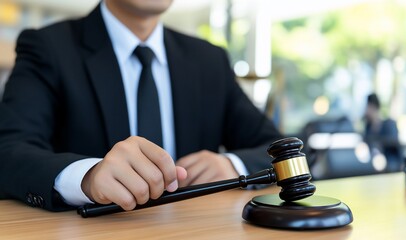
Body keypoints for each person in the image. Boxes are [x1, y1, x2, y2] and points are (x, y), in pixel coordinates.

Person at [0, 0, 282, 212]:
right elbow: (8, 150)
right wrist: (86, 177)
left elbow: (280, 147)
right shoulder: (48, 47)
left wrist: (233, 165)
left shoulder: (208, 59)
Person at [363, 93, 402, 172]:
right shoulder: (368, 127)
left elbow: (395, 143)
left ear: (373, 107)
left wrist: (379, 143)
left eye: (367, 107)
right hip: (372, 161)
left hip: (390, 161)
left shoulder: (389, 124)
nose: (365, 110)